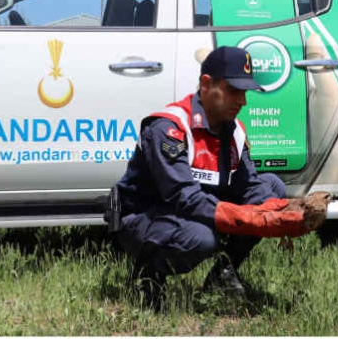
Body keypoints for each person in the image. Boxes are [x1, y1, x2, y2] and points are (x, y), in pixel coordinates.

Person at [109, 46, 311, 309]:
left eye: (245, 92)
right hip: (145, 216)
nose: (242, 101)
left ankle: (222, 274)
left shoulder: (235, 130)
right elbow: (183, 197)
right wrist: (250, 217)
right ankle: (148, 275)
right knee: (202, 238)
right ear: (206, 84)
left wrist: (276, 211)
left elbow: (250, 187)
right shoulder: (169, 128)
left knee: (271, 187)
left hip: (194, 209)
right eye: (234, 90)